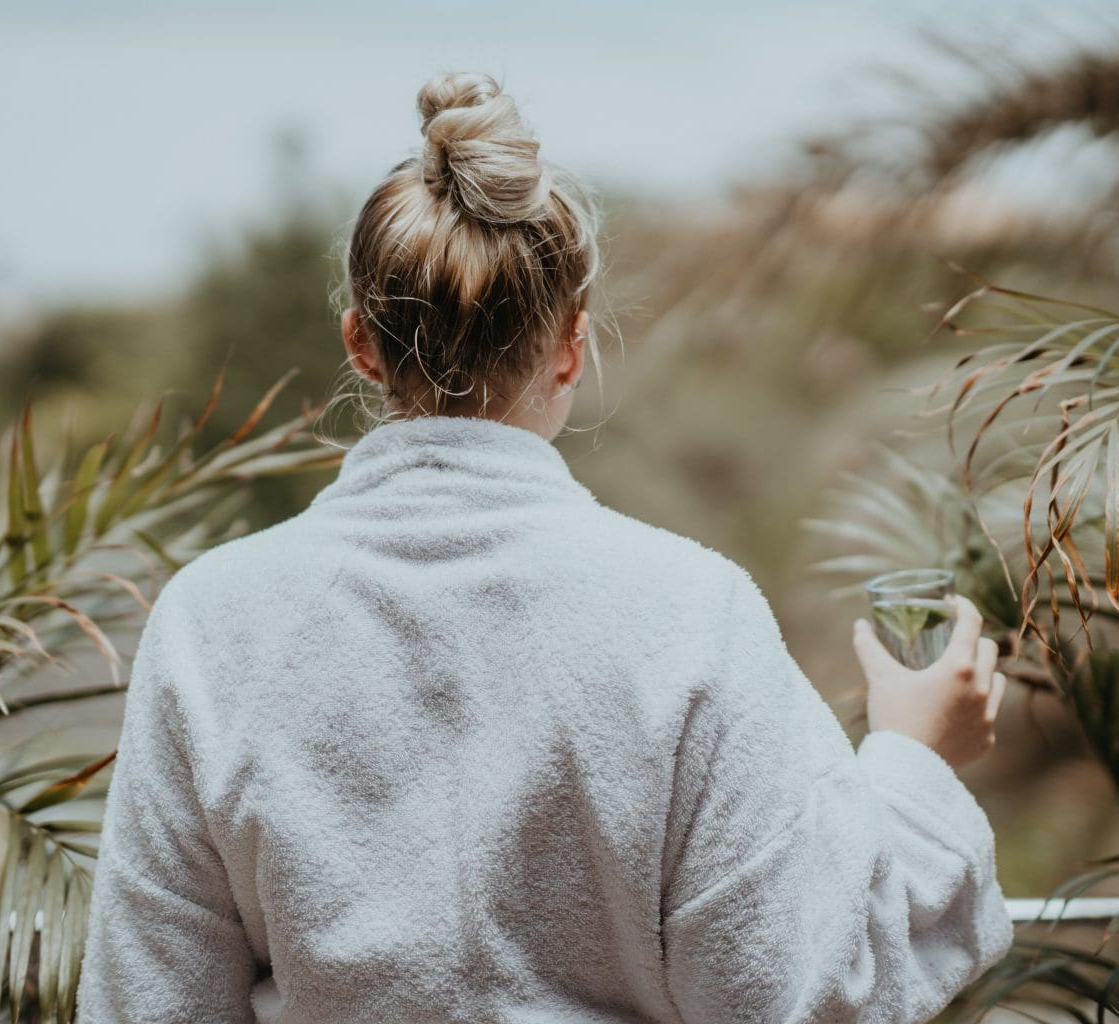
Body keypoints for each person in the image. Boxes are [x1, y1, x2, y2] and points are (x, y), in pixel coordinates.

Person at [75, 70, 1014, 1024]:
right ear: (570, 344)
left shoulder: (210, 619)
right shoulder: (691, 614)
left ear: (360, 344)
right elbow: (803, 991)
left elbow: (149, 998)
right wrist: (912, 756)